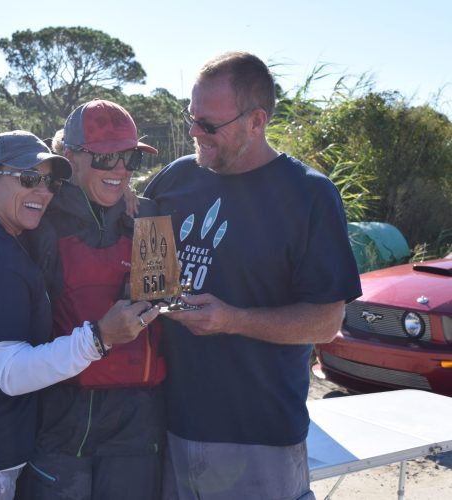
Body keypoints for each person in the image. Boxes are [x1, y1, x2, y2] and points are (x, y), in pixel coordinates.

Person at [0, 101, 166, 500]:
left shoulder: (146, 215)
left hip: (134, 431)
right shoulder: (35, 215)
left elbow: (159, 303)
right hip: (57, 429)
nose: (121, 169)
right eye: (107, 157)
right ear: (70, 157)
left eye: (129, 158)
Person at [143, 52, 362, 500]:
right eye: (191, 118)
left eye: (209, 124)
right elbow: (121, 254)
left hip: (258, 433)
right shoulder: (173, 181)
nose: (194, 133)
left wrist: (232, 319)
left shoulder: (308, 195)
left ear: (257, 120)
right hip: (166, 424)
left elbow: (326, 322)